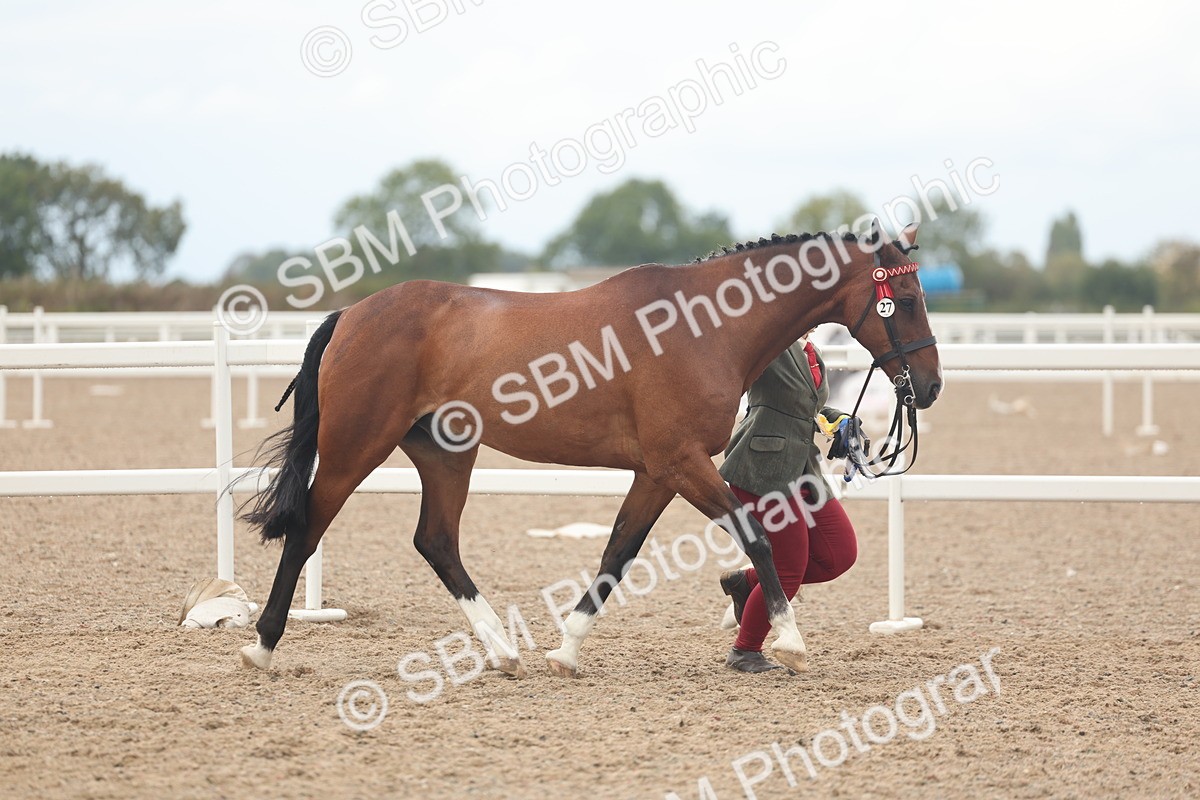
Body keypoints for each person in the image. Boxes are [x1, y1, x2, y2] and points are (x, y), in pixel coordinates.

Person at [717, 328, 860, 672]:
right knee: (788, 571)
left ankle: (749, 581)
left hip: (802, 468)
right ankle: (745, 650)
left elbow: (805, 405)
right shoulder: (766, 341)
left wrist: (836, 419)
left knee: (839, 555)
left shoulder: (809, 349)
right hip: (762, 467)